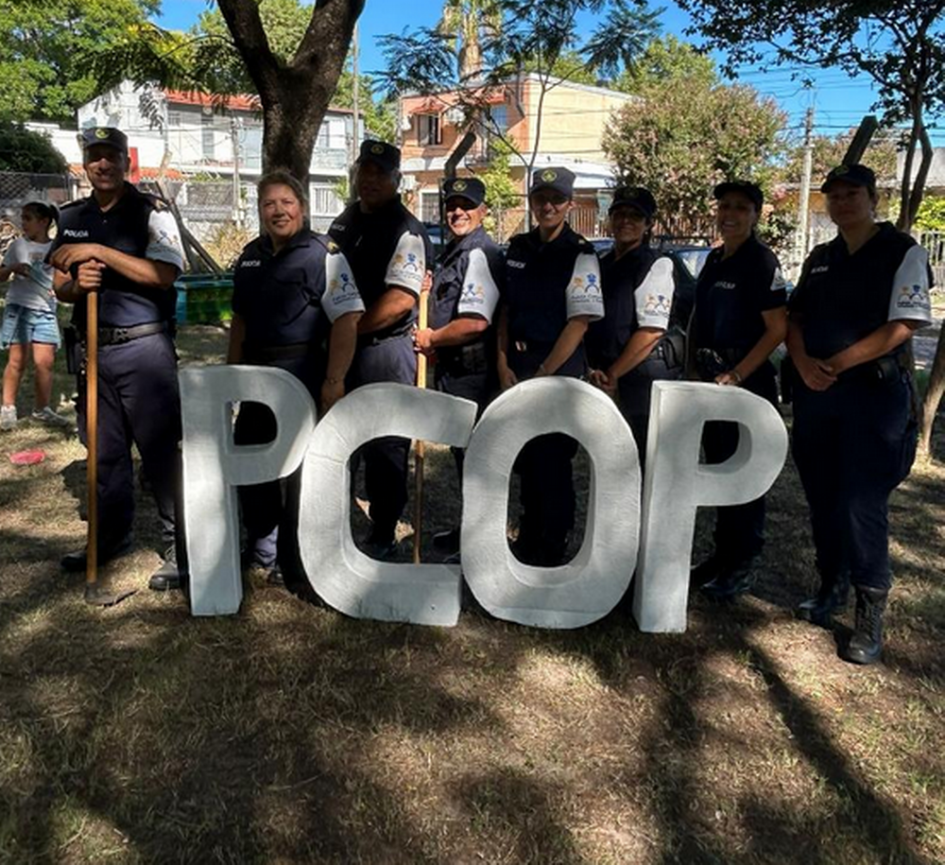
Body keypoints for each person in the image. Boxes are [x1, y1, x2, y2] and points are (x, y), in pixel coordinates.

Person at [787, 164, 932, 665]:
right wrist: (805, 364)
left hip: (872, 399)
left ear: (874, 199)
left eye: (853, 195)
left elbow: (906, 323)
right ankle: (832, 585)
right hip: (817, 392)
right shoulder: (821, 257)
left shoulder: (903, 252)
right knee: (822, 496)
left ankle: (869, 608)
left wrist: (838, 363)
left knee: (859, 502)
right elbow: (796, 319)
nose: (842, 203)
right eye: (835, 196)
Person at [50, 127, 186, 591]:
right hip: (93, 349)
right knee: (103, 453)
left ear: (126, 163)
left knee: (161, 450)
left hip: (143, 349)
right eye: (94, 157)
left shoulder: (152, 213)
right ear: (84, 163)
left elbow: (165, 274)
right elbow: (60, 287)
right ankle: (110, 537)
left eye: (111, 156)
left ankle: (179, 546)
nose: (102, 164)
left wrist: (100, 252)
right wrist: (77, 283)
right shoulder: (71, 217)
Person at [228, 171, 364, 585]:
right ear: (259, 211)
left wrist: (334, 380)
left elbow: (348, 318)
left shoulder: (324, 253)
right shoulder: (249, 257)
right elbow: (240, 322)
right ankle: (263, 548)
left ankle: (300, 558)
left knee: (304, 470)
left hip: (303, 373)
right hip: (255, 378)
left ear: (301, 209)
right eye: (269, 204)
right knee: (253, 462)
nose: (278, 211)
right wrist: (231, 377)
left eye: (286, 202)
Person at [328, 141, 433, 559]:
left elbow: (401, 300)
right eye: (364, 171)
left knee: (384, 444)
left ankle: (384, 530)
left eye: (379, 173)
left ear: (396, 180)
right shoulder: (343, 220)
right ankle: (330, 519)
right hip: (341, 347)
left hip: (383, 350)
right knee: (336, 435)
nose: (369, 180)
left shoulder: (406, 230)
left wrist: (350, 331)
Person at [497, 166, 604, 567]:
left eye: (556, 199)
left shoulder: (581, 255)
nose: (547, 206)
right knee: (524, 456)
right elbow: (506, 310)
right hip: (518, 365)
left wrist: (543, 374)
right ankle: (528, 535)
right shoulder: (519, 247)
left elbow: (579, 323)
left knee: (552, 461)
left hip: (556, 368)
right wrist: (503, 361)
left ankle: (553, 542)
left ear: (569, 205)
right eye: (540, 198)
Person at [690, 180, 788, 600]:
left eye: (740, 208)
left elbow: (777, 328)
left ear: (756, 214)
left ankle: (742, 564)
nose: (729, 213)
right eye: (723, 206)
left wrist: (738, 374)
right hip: (711, 381)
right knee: (719, 470)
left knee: (744, 478)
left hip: (745, 383)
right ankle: (722, 555)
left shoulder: (761, 261)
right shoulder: (714, 259)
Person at [413, 176, 503, 557]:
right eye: (452, 205)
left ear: (483, 211)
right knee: (464, 459)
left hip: (474, 376)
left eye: (467, 205)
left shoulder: (480, 252)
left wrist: (432, 338)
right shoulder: (455, 251)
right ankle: (468, 530)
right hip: (455, 373)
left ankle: (480, 543)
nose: (458, 212)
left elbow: (475, 323)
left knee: (478, 462)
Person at [586, 186, 682, 462]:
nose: (625, 221)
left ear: (648, 224)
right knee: (609, 459)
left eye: (635, 216)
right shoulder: (601, 264)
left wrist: (614, 374)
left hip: (640, 379)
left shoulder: (656, 265)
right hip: (605, 376)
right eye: (619, 214)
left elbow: (652, 331)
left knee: (642, 460)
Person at [1, 201, 71, 431]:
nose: (23, 222)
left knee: (45, 363)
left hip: (46, 312)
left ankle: (42, 409)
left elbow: (64, 278)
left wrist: (60, 286)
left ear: (44, 222)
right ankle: (8, 409)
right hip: (19, 309)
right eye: (23, 217)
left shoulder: (56, 248)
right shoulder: (17, 246)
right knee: (17, 362)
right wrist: (12, 269)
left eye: (28, 218)